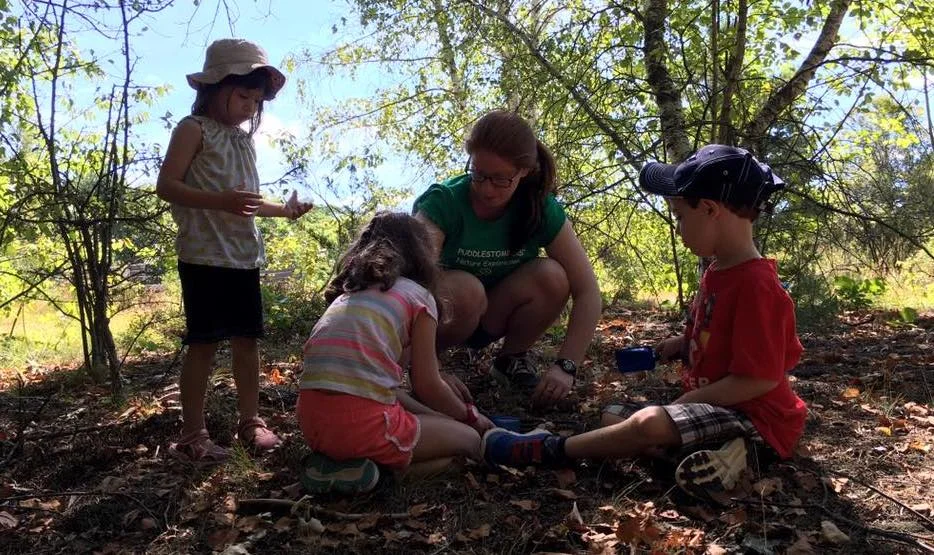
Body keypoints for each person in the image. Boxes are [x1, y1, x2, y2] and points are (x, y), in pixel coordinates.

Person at [481, 145, 807, 498]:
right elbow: (723, 338)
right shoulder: (717, 271)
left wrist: (690, 399)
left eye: (680, 216)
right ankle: (720, 459)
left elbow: (758, 378)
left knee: (649, 422)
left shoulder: (758, 285)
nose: (678, 229)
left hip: (756, 419)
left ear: (710, 209)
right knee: (613, 416)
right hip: (715, 410)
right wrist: (681, 346)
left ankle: (550, 449)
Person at [156, 39, 313, 464]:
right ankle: (192, 435)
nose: (249, 106)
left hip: (243, 256)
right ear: (214, 87)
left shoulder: (243, 141)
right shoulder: (193, 129)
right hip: (204, 256)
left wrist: (285, 211)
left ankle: (251, 422)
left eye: (256, 101)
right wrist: (219, 201)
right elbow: (167, 186)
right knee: (204, 344)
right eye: (243, 96)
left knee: (247, 341)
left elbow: (247, 202)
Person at [297, 212, 496, 494]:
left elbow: (388, 391)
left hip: (312, 425)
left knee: (439, 430)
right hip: (365, 427)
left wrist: (438, 418)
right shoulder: (419, 298)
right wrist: (470, 418)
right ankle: (382, 475)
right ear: (422, 253)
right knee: (471, 443)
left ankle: (338, 464)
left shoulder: (347, 295)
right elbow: (427, 384)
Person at [413, 110, 602, 406]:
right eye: (478, 174)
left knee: (553, 276)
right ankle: (431, 358)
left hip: (493, 314)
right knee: (467, 289)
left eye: (500, 179)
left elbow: (588, 291)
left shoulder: (540, 208)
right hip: (446, 317)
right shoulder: (443, 202)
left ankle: (510, 360)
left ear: (524, 171)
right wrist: (427, 370)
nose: (486, 189)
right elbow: (414, 287)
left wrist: (566, 366)